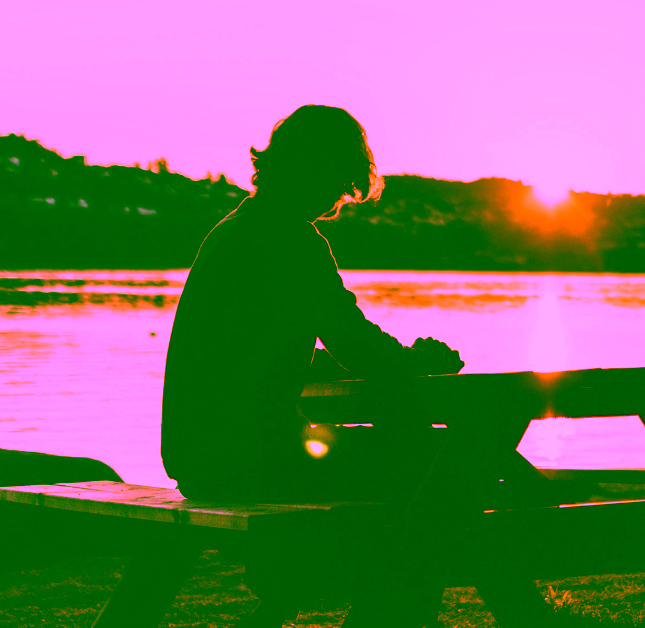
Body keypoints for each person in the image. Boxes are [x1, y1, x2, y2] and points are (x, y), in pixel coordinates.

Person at [160, 104, 464, 504]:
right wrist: (416, 365)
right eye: (342, 181)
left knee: (386, 453)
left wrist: (396, 358)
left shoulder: (232, 230)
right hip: (252, 462)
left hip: (196, 461)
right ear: (317, 170)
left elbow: (260, 347)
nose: (340, 198)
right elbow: (355, 343)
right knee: (438, 459)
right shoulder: (293, 241)